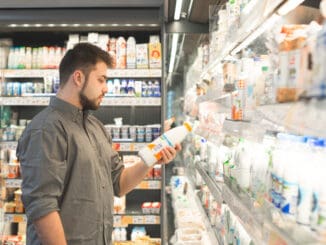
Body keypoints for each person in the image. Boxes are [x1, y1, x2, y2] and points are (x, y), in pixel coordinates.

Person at [16, 43, 181, 245]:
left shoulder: (96, 128)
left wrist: (151, 158)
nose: (106, 88)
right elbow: (42, 207)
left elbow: (119, 183)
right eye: (101, 79)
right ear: (78, 77)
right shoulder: (46, 129)